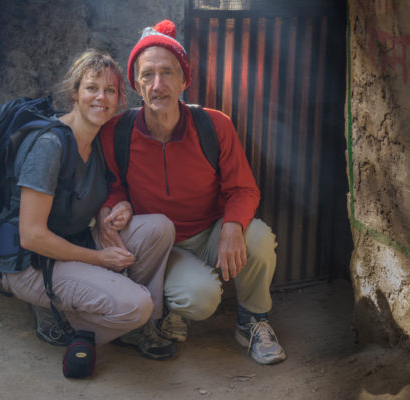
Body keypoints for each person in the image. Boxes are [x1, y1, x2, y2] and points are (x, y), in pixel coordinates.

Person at [98, 21, 286, 365]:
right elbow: (111, 188)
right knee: (199, 299)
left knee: (257, 237)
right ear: (136, 84)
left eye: (168, 73)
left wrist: (231, 224)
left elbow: (243, 189)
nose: (159, 85)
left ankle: (253, 321)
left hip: (212, 232)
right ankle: (172, 305)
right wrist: (117, 204)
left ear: (185, 80)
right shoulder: (117, 133)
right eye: (148, 75)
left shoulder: (214, 125)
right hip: (164, 246)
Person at [0, 49, 177, 373]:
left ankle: (131, 323)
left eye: (110, 90)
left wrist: (116, 208)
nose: (101, 98)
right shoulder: (50, 146)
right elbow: (31, 235)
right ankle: (65, 317)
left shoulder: (97, 141)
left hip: (72, 245)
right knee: (138, 305)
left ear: (120, 98)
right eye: (92, 88)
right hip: (32, 264)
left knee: (159, 228)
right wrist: (99, 259)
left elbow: (102, 193)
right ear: (74, 93)